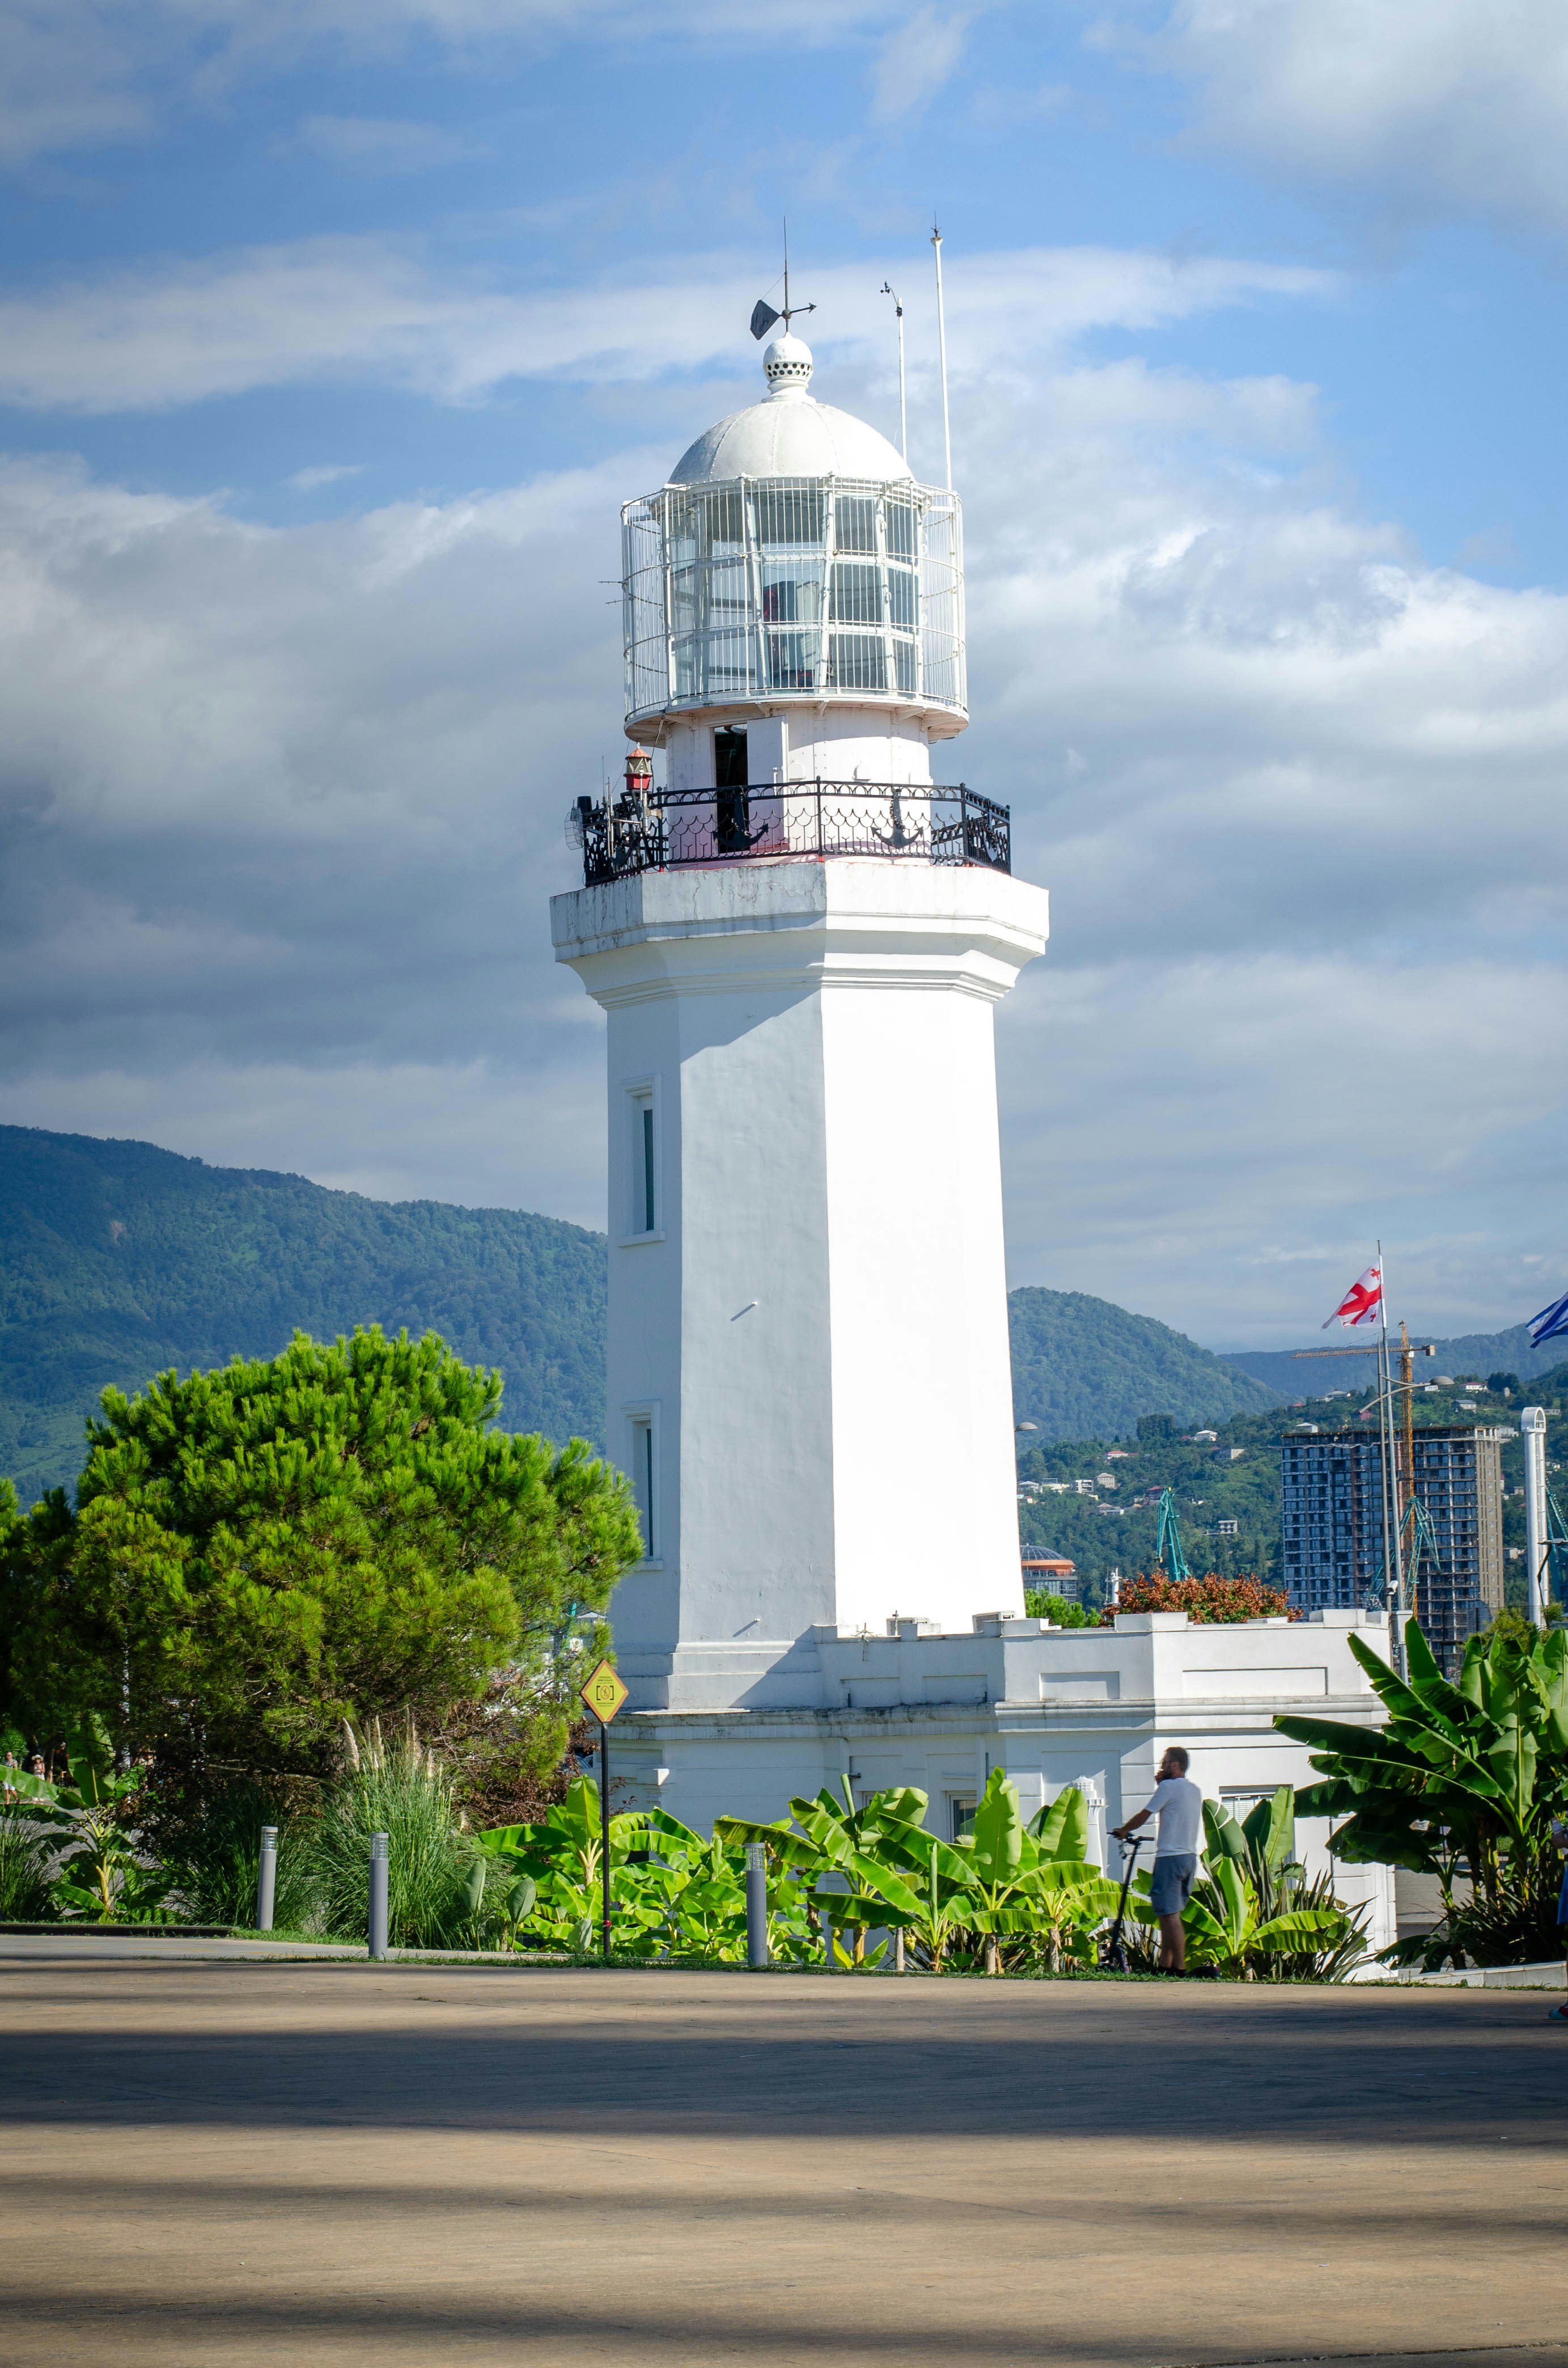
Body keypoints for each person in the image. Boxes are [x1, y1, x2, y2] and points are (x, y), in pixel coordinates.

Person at [1110, 1745, 1203, 1973]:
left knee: (1169, 1916)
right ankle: (1165, 1965)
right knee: (1168, 1914)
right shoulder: (1193, 1790)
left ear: (1174, 1765)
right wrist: (1163, 1784)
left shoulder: (1169, 1788)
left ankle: (1180, 1968)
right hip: (1188, 1858)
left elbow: (1145, 1815)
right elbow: (1175, 1806)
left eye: (1165, 1763)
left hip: (1170, 1858)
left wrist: (1123, 1830)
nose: (1161, 1766)